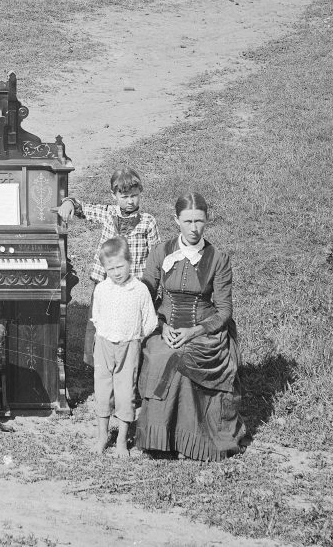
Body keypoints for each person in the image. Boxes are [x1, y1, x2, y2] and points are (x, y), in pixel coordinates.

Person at [134, 192, 245, 461]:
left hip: (205, 332)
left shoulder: (218, 258)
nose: (194, 228)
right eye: (188, 221)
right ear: (176, 221)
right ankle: (161, 440)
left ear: (207, 221)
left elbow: (224, 310)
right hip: (165, 327)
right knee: (161, 354)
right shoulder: (161, 252)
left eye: (199, 221)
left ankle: (192, 441)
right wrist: (161, 327)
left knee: (182, 357)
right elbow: (146, 294)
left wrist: (193, 331)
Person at [58, 166, 161, 364]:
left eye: (134, 195)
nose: (130, 201)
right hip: (106, 281)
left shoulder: (148, 222)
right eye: (124, 196)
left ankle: (131, 366)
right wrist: (69, 203)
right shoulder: (108, 214)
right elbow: (82, 208)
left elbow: (156, 256)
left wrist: (151, 286)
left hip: (133, 283)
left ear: (140, 193)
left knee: (129, 326)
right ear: (113, 195)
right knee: (99, 320)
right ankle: (99, 364)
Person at [90, 237, 158, 459]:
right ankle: (102, 436)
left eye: (120, 266)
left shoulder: (139, 290)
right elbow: (97, 316)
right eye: (111, 268)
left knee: (125, 392)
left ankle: (121, 440)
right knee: (102, 391)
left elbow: (150, 321)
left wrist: (134, 338)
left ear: (130, 261)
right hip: (104, 345)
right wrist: (105, 336)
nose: (117, 272)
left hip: (129, 346)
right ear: (105, 269)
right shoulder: (101, 289)